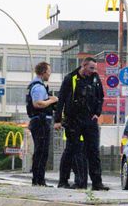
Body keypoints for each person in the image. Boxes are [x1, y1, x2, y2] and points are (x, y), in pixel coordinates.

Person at [55, 57, 109, 191]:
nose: (93, 71)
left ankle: (97, 183)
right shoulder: (70, 78)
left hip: (90, 120)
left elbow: (100, 97)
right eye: (91, 68)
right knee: (73, 150)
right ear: (83, 66)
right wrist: (57, 120)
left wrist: (98, 112)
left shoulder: (95, 79)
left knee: (93, 151)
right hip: (73, 120)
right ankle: (69, 181)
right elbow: (61, 99)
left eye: (95, 68)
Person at [26, 61, 58, 187]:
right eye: (49, 71)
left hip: (39, 121)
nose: (50, 74)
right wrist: (52, 100)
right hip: (41, 121)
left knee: (41, 151)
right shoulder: (38, 86)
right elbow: (38, 103)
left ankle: (38, 179)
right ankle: (39, 180)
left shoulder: (37, 85)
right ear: (44, 72)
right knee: (42, 151)